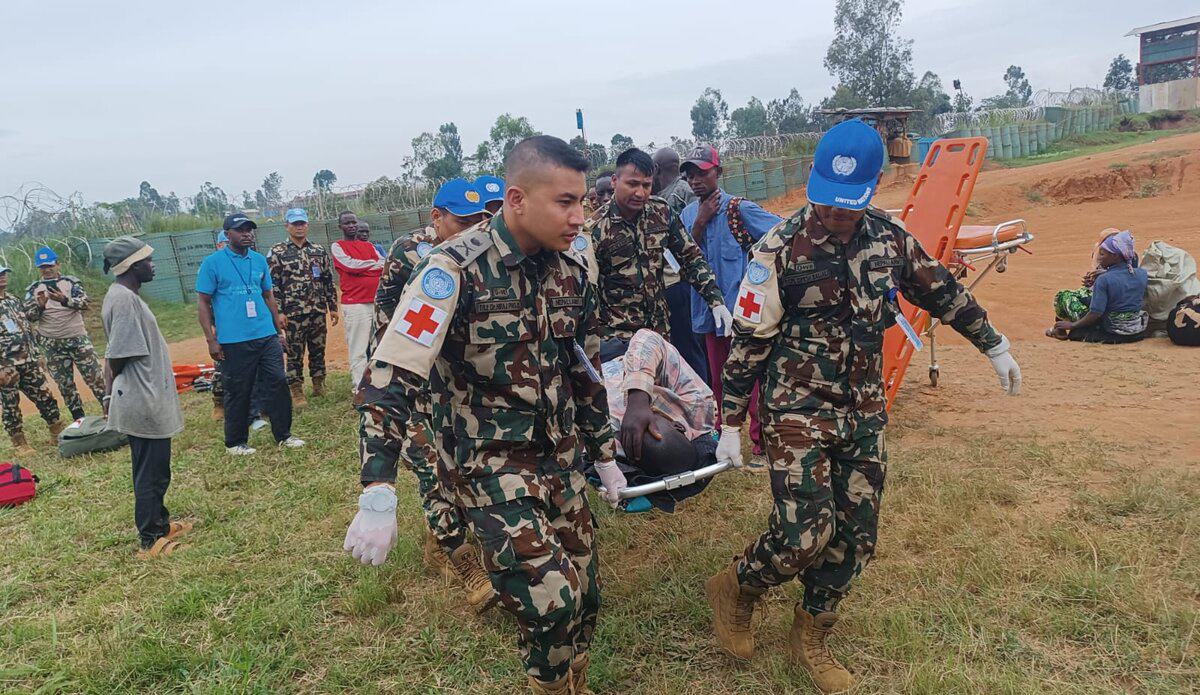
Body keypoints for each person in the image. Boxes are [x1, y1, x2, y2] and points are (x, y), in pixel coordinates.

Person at [706, 120, 1022, 693]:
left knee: (856, 535)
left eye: (850, 206)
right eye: (827, 202)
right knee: (805, 534)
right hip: (795, 408)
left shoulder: (889, 238)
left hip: (863, 410)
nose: (837, 214)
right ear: (813, 180)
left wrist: (993, 344)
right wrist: (730, 422)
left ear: (874, 188)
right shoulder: (778, 249)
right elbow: (750, 341)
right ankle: (738, 586)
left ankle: (813, 634)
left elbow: (942, 291)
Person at [345, 136, 622, 694]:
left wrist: (606, 453)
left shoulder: (572, 268)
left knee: (586, 598)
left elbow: (583, 369)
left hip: (561, 459)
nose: (580, 216)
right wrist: (378, 489)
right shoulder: (451, 272)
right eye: (565, 202)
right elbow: (390, 378)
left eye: (583, 202)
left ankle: (573, 682)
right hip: (489, 464)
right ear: (517, 199)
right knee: (551, 602)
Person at [363, 178, 492, 605]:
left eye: (480, 219)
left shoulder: (475, 251)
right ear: (436, 217)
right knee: (430, 464)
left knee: (456, 462)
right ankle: (460, 557)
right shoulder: (414, 252)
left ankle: (438, 541)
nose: (474, 228)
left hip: (445, 381)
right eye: (463, 221)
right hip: (404, 377)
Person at [681, 144, 784, 467]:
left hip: (743, 313)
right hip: (708, 315)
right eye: (691, 174)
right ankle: (720, 440)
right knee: (718, 379)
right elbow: (679, 259)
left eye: (703, 172)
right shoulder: (686, 215)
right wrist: (700, 222)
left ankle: (760, 444)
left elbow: (782, 232)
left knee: (750, 376)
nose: (696, 180)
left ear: (718, 173)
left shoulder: (740, 209)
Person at [100, 237, 189, 558]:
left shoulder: (128, 296)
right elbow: (118, 356)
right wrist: (111, 393)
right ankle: (150, 539)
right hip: (140, 398)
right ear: (133, 266)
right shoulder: (123, 301)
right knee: (150, 472)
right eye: (147, 261)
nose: (153, 265)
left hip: (147, 395)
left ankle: (160, 523)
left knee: (157, 468)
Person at [585, 148, 730, 344]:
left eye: (646, 185)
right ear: (614, 181)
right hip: (620, 338)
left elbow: (690, 257)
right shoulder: (595, 229)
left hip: (661, 332)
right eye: (632, 184)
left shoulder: (660, 212)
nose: (640, 192)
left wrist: (715, 300)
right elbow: (587, 292)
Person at [197, 213, 304, 455]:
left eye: (249, 229)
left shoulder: (258, 260)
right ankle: (235, 442)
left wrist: (279, 332)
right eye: (240, 230)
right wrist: (211, 340)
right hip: (234, 340)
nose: (247, 234)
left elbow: (268, 296)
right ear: (227, 234)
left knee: (277, 381)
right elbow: (203, 302)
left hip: (265, 334)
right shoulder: (212, 263)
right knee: (239, 389)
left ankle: (283, 434)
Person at [598, 329, 717, 512]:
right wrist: (638, 398)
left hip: (591, 363)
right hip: (624, 352)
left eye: (633, 437)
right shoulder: (697, 407)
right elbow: (646, 338)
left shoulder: (607, 437)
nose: (638, 427)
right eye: (652, 423)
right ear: (677, 425)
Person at [651, 148, 711, 388]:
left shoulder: (678, 193)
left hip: (684, 278)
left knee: (691, 348)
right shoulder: (669, 193)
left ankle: (701, 396)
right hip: (679, 278)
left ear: (657, 169)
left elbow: (684, 242)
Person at [23, 246, 105, 420]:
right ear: (39, 269)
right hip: (52, 344)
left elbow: (84, 303)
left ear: (58, 265)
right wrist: (41, 305)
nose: (47, 270)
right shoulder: (34, 290)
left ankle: (110, 412)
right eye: (43, 267)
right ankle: (79, 419)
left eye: (50, 265)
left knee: (96, 378)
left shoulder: (71, 283)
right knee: (65, 385)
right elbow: (29, 317)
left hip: (77, 339)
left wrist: (64, 300)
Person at [267, 208, 338, 405]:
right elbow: (273, 285)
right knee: (294, 353)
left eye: (302, 223)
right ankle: (296, 390)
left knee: (318, 350)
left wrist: (332, 306)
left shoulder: (317, 250)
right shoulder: (277, 252)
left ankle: (318, 385)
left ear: (307, 225)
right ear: (287, 226)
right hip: (292, 313)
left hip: (316, 310)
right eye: (295, 223)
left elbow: (327, 279)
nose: (299, 227)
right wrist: (279, 312)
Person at [0, 265, 64, 455]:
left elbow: (27, 322)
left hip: (28, 359)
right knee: (11, 405)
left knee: (45, 395)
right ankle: (19, 443)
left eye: (4, 273)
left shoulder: (12, 299)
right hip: (5, 364)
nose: (3, 277)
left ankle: (56, 430)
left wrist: (41, 305)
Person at [1050, 230, 1149, 343]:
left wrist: (1072, 325)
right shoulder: (1142, 273)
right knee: (1083, 294)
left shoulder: (1104, 279)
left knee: (1063, 296)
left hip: (1112, 330)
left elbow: (1095, 313)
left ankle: (1061, 329)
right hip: (1135, 330)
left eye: (1102, 254)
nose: (1100, 258)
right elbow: (1124, 283)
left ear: (1115, 256)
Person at [331, 210, 385, 390]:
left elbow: (383, 264)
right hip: (356, 304)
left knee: (378, 346)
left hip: (375, 302)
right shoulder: (338, 246)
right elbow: (350, 265)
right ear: (340, 227)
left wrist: (367, 267)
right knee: (359, 349)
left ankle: (376, 385)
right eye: (347, 223)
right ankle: (359, 388)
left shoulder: (369, 246)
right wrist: (372, 265)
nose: (352, 226)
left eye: (353, 222)